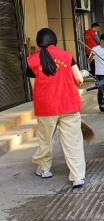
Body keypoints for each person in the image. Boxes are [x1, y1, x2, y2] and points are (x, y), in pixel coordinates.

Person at [26, 28, 86, 188]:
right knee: (73, 142)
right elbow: (79, 79)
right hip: (69, 105)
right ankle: (77, 177)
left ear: (39, 42)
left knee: (45, 140)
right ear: (55, 40)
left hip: (46, 108)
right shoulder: (67, 56)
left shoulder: (31, 60)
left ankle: (44, 169)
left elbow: (35, 87)